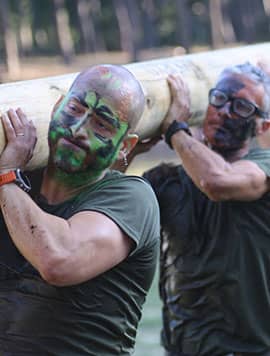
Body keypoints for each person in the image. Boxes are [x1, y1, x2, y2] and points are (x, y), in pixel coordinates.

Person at [0, 64, 160, 355]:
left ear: (125, 145)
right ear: (57, 106)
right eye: (75, 109)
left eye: (102, 124)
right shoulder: (16, 191)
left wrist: (7, 174)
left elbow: (58, 259)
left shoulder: (132, 198)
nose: (78, 129)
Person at [140, 63, 270, 356]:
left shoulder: (263, 168)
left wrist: (175, 130)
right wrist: (130, 151)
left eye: (242, 107)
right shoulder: (169, 182)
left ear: (263, 126)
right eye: (220, 99)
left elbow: (217, 181)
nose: (225, 111)